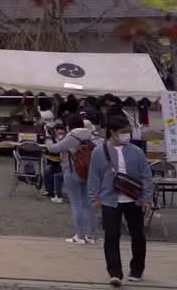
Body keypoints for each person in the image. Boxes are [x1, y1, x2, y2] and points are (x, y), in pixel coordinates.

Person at [87, 116, 154, 286]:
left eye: (128, 131)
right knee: (111, 236)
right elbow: (94, 176)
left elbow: (146, 176)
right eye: (123, 132)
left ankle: (137, 269)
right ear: (113, 132)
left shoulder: (136, 151)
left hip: (134, 199)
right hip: (110, 199)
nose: (127, 135)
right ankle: (114, 272)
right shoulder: (99, 152)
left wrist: (147, 198)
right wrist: (94, 197)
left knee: (138, 235)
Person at [46, 113, 98, 244]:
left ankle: (79, 235)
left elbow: (53, 149)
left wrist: (48, 138)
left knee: (76, 204)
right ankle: (90, 235)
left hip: (72, 170)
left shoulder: (72, 137)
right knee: (88, 203)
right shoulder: (92, 136)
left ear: (69, 126)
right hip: (89, 172)